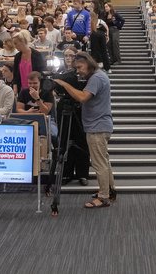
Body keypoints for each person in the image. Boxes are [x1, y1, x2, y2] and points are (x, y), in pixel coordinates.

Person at [54, 52, 115, 209]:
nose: (78, 71)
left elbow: (82, 97)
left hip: (97, 127)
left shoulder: (96, 78)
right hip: (100, 125)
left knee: (99, 163)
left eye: (80, 67)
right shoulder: (98, 76)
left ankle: (103, 197)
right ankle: (109, 190)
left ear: (88, 63)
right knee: (104, 161)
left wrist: (64, 84)